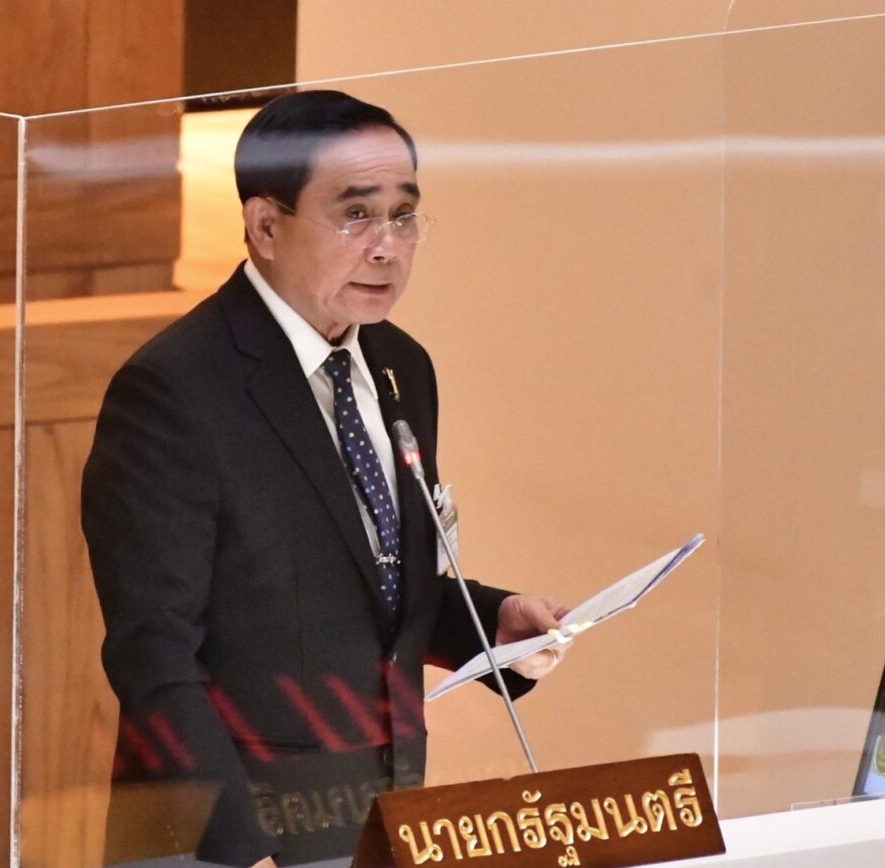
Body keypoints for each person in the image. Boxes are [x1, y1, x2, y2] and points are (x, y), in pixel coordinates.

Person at [82, 90, 566, 868]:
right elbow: (155, 658)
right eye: (356, 215)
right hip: (229, 839)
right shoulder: (174, 391)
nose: (388, 247)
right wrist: (242, 853)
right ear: (265, 226)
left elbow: (361, 582)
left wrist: (488, 622)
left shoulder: (401, 365)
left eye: (403, 216)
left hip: (374, 818)